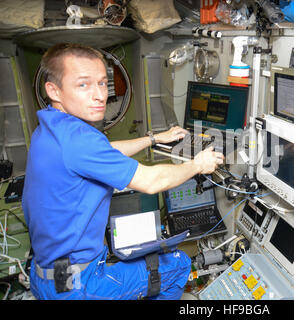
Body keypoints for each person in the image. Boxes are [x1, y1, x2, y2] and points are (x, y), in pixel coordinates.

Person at [22, 43, 224, 300]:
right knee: (178, 264)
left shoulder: (51, 128)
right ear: (54, 90)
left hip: (46, 277)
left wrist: (155, 139)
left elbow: (105, 150)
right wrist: (198, 164)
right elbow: (152, 181)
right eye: (83, 85)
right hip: (79, 287)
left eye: (101, 83)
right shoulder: (79, 139)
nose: (99, 95)